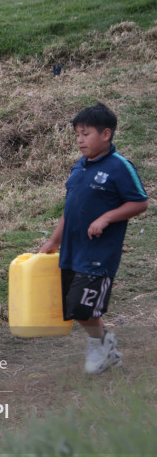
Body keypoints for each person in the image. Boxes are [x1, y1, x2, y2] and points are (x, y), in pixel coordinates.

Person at [40, 102, 147, 374]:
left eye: (85, 134)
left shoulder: (120, 166)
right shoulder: (79, 167)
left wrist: (106, 217)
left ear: (106, 134)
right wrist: (53, 241)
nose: (79, 140)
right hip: (72, 250)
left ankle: (101, 347)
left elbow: (140, 203)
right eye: (77, 134)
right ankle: (104, 345)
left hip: (99, 253)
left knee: (83, 307)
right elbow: (70, 209)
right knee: (75, 306)